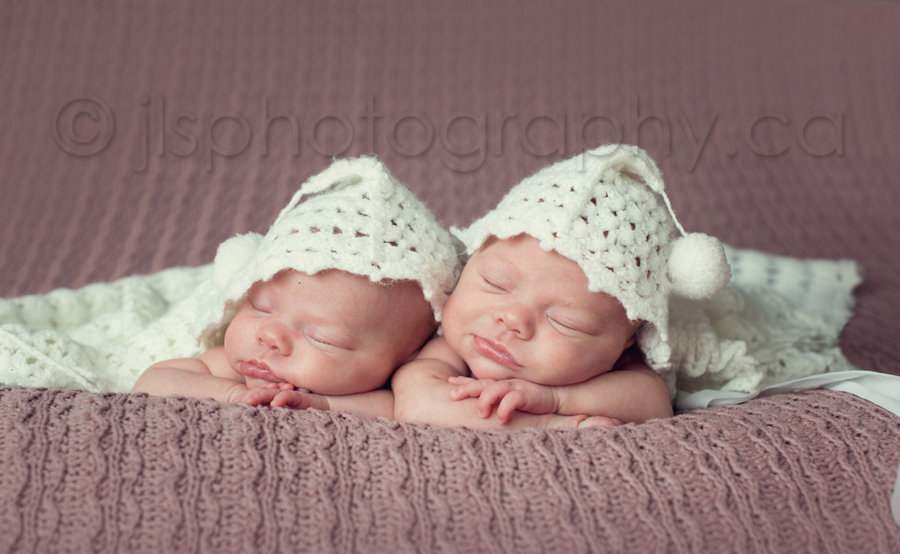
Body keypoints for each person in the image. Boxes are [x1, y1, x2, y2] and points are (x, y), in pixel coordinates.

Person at [392, 145, 732, 429]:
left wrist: (557, 399)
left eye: (565, 321)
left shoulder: (618, 362)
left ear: (627, 341)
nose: (511, 320)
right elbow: (419, 405)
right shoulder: (447, 349)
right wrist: (549, 424)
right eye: (495, 284)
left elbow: (653, 401)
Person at [133, 156, 461, 418]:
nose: (270, 336)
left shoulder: (391, 385)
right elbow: (152, 380)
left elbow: (394, 409)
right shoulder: (229, 366)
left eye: (320, 337)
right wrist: (233, 394)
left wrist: (326, 406)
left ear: (401, 360)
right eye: (260, 307)